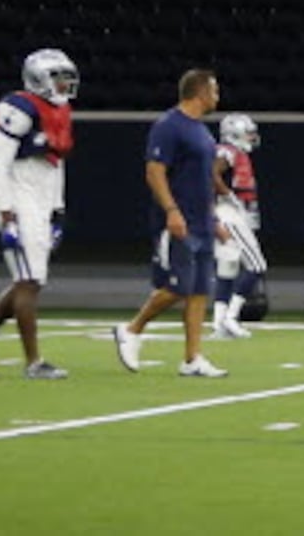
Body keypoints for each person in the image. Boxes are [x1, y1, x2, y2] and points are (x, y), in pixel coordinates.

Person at [0, 47, 77, 379]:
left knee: (31, 280)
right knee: (28, 280)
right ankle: (34, 362)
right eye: (58, 77)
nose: (65, 84)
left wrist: (58, 210)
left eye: (67, 78)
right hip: (18, 194)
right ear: (39, 78)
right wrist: (6, 211)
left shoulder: (61, 111)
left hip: (41, 196)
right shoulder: (18, 107)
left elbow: (56, 164)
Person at [114, 67, 229, 379]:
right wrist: (171, 210)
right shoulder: (169, 126)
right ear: (200, 92)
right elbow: (154, 172)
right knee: (177, 287)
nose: (217, 96)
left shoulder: (203, 132)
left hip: (202, 220)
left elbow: (204, 179)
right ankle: (131, 329)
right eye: (214, 90)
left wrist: (214, 218)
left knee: (200, 290)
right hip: (179, 220)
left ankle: (192, 358)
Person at [210, 113, 265, 340]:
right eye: (248, 132)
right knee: (257, 265)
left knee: (228, 268)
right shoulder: (228, 152)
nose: (252, 137)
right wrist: (227, 196)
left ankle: (218, 323)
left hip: (230, 213)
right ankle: (231, 318)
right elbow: (210, 174)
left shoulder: (235, 153)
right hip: (230, 214)